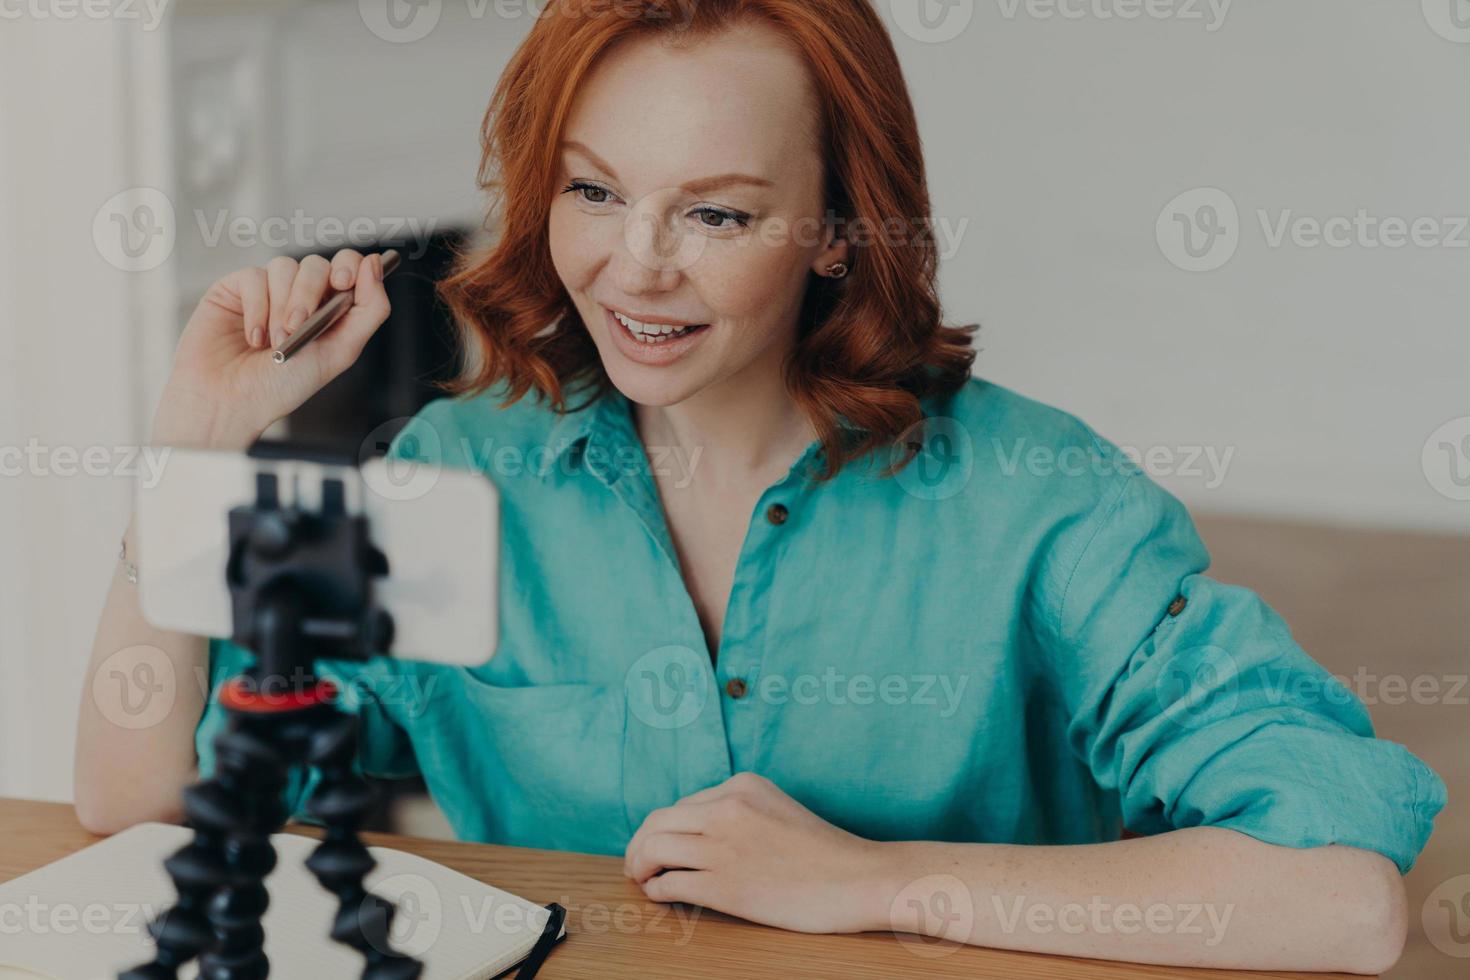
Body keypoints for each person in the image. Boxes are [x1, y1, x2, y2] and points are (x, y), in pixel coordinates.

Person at [76, 0, 1445, 971]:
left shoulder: (1040, 502)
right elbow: (143, 813)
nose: (634, 266)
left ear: (839, 230)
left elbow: (1336, 903)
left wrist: (875, 886)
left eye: (716, 212)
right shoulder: (458, 475)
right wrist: (194, 443)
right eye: (593, 192)